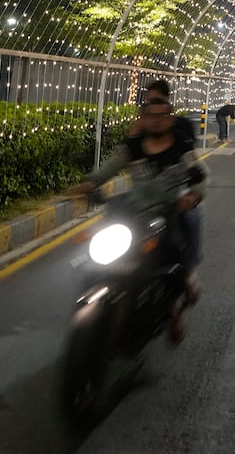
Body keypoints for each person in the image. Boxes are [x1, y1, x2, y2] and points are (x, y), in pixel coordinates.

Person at [71, 92, 206, 342]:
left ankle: (173, 310)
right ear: (142, 118)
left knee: (173, 258)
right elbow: (109, 168)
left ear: (169, 119)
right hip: (132, 213)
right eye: (150, 116)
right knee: (94, 253)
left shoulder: (182, 148)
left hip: (167, 213)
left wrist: (193, 196)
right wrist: (92, 182)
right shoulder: (131, 147)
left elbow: (200, 177)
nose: (156, 121)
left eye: (162, 116)